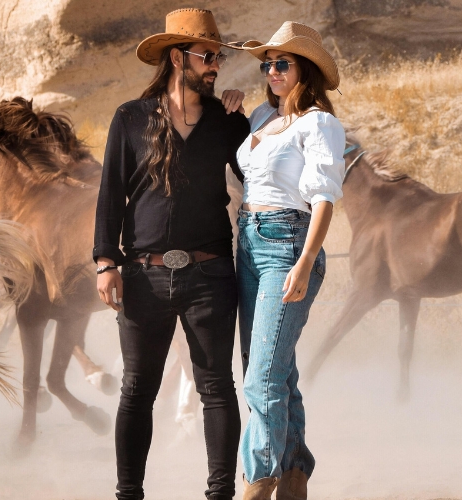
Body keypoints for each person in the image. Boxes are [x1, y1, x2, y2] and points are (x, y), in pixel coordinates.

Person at [92, 8, 250, 500]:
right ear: (177, 57)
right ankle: (128, 494)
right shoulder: (130, 118)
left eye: (218, 57)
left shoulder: (227, 123)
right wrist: (105, 261)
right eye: (207, 56)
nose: (216, 65)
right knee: (138, 391)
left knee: (218, 390)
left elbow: (258, 175)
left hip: (211, 275)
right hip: (143, 276)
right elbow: (110, 193)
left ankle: (220, 495)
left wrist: (248, 122)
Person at [235, 22, 346, 500]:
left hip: (287, 244)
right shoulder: (262, 115)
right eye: (267, 63)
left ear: (306, 70)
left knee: (261, 374)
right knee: (275, 370)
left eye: (282, 63)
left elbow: (323, 199)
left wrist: (304, 263)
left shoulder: (319, 122)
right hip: (248, 246)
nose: (272, 70)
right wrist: (231, 112)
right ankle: (295, 474)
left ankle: (257, 484)